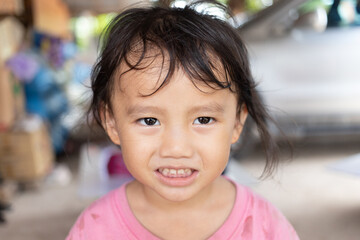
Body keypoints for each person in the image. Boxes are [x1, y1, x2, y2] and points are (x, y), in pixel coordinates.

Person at [66, 2, 299, 239]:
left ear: (237, 123)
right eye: (149, 120)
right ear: (112, 123)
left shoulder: (264, 227)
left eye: (204, 119)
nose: (176, 149)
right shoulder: (95, 229)